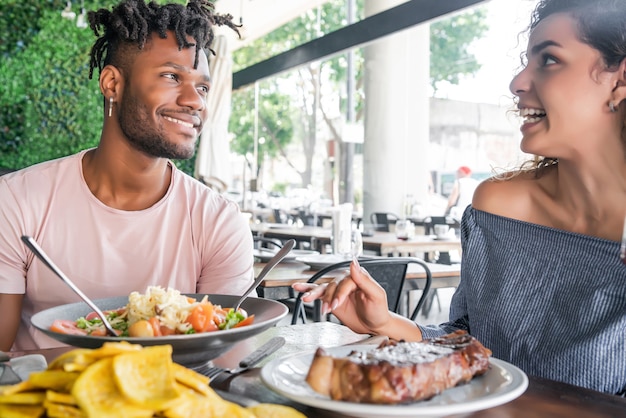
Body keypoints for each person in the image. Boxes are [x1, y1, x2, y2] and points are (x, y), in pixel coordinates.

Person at [294, 0, 626, 396]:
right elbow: (467, 342)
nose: (518, 82)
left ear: (620, 82)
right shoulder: (496, 207)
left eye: (549, 60)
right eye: (526, 62)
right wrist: (383, 323)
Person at [0, 0, 254, 352]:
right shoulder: (16, 201)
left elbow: (227, 359)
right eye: (171, 76)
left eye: (203, 87)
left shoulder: (219, 222)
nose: (195, 101)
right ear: (112, 84)